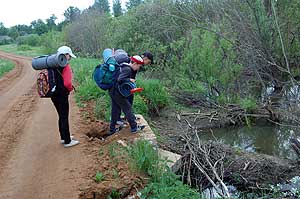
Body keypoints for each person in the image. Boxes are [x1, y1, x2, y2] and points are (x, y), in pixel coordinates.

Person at [108, 55, 146, 135]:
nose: (138, 68)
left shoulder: (123, 66)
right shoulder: (128, 69)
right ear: (135, 63)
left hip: (112, 90)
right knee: (127, 108)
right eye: (139, 66)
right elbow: (120, 79)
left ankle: (112, 129)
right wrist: (129, 79)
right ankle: (134, 127)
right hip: (117, 92)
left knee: (115, 109)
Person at [51, 46, 80, 148]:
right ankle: (68, 141)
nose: (70, 58)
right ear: (66, 55)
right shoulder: (66, 66)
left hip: (53, 94)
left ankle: (63, 137)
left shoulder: (53, 64)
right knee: (64, 117)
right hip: (62, 95)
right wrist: (70, 88)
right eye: (69, 56)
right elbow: (67, 83)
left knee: (61, 115)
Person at [116, 51, 154, 125]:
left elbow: (132, 76)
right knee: (121, 101)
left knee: (129, 99)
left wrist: (132, 85)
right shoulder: (132, 63)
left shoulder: (136, 63)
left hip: (125, 85)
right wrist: (129, 81)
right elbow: (123, 76)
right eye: (148, 62)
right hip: (119, 86)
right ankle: (119, 119)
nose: (147, 64)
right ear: (145, 59)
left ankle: (129, 117)